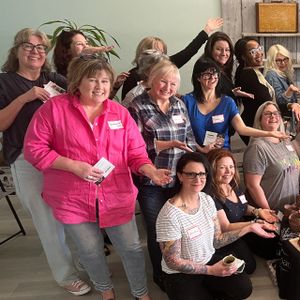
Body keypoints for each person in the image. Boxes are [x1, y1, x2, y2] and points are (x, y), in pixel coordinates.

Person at [24, 55, 172, 300]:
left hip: (116, 195)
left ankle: (140, 292)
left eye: (105, 81)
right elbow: (34, 149)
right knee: (90, 251)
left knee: (132, 248)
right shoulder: (54, 109)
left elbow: (135, 153)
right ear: (77, 82)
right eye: (92, 80)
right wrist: (73, 166)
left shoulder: (120, 114)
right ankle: (105, 290)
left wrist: (151, 171)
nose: (100, 86)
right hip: (71, 196)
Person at [0, 28, 91, 296]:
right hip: (27, 160)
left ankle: (89, 260)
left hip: (64, 159)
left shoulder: (53, 78)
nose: (35, 51)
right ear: (15, 51)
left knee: (77, 214)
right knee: (48, 221)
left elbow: (84, 97)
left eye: (41, 48)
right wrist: (25, 98)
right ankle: (65, 275)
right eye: (28, 46)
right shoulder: (4, 82)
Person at [156, 152, 275, 300]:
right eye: (191, 174)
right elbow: (173, 262)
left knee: (243, 287)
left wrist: (250, 227)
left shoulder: (206, 200)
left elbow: (217, 240)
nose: (198, 179)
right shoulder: (169, 215)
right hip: (180, 275)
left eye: (202, 174)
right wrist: (211, 270)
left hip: (208, 259)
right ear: (180, 176)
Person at [128, 60, 199, 290]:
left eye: (173, 83)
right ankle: (161, 274)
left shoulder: (178, 104)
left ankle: (181, 265)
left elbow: (188, 137)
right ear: (151, 80)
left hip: (179, 180)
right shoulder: (137, 106)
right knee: (157, 229)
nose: (168, 87)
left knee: (180, 224)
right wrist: (167, 144)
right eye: (163, 81)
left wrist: (192, 165)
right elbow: (134, 146)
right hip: (150, 182)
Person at [182, 58, 286, 152]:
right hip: (195, 154)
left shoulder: (227, 102)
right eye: (207, 75)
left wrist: (269, 133)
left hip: (222, 155)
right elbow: (183, 133)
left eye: (215, 74)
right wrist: (201, 149)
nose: (212, 78)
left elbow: (242, 128)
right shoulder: (187, 101)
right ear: (198, 77)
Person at [244, 101, 300, 213]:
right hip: (273, 211)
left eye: (275, 113)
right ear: (259, 119)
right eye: (267, 114)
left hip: (291, 209)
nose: (273, 116)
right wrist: (268, 212)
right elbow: (252, 185)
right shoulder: (257, 147)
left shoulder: (285, 140)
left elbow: (288, 164)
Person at [207, 149, 279, 272]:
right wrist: (253, 224)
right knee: (249, 267)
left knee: (275, 243)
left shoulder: (233, 184)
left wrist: (258, 211)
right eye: (222, 168)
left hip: (244, 226)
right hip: (229, 235)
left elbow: (244, 207)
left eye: (231, 167)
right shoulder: (211, 196)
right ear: (212, 169)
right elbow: (225, 227)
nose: (229, 172)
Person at [121, 18, 223, 98]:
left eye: (162, 52)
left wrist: (206, 30)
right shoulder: (133, 75)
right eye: (155, 51)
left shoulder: (167, 66)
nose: (159, 55)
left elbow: (188, 52)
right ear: (144, 53)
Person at [52, 29, 124, 98]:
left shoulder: (91, 69)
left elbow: (98, 101)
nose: (85, 47)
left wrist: (115, 87)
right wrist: (82, 56)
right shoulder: (57, 78)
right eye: (79, 44)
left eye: (86, 43)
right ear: (67, 50)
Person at [234, 37, 275, 145]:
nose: (259, 54)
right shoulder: (248, 74)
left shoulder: (255, 72)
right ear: (243, 57)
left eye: (259, 49)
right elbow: (266, 102)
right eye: (253, 52)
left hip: (259, 125)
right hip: (255, 126)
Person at [264, 44, 300, 127]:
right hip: (280, 121)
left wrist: (296, 120)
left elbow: (292, 101)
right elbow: (278, 101)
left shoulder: (283, 74)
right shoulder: (272, 75)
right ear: (272, 61)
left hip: (288, 119)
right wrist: (289, 90)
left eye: (285, 59)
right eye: (278, 60)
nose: (283, 63)